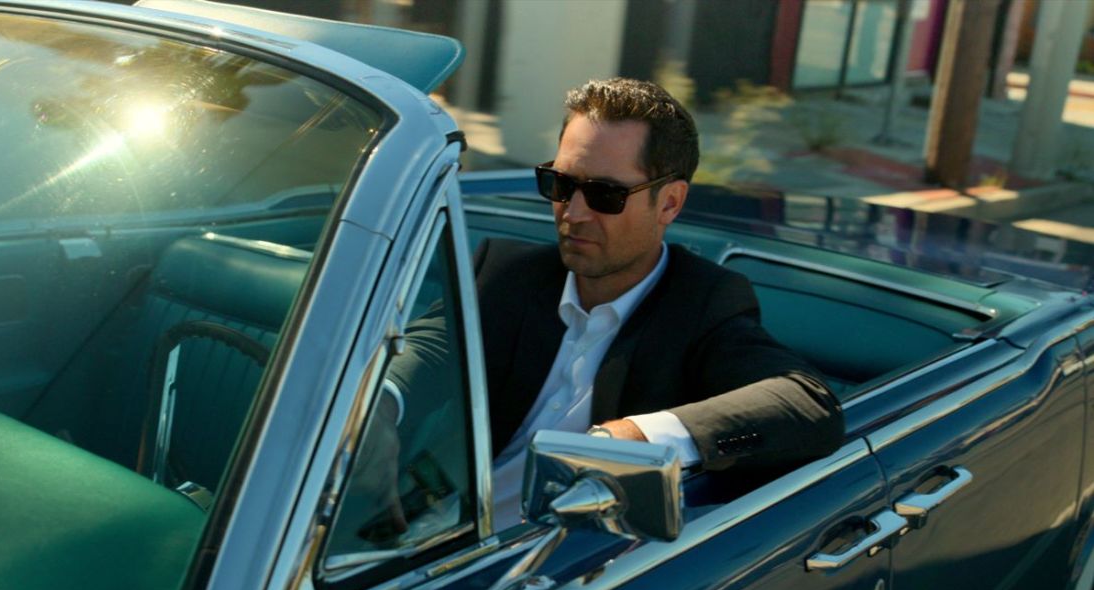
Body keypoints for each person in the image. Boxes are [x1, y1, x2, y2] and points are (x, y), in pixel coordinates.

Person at [345, 77, 844, 544]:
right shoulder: (507, 274)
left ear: (669, 203)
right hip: (426, 537)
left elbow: (808, 405)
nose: (573, 213)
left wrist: (635, 437)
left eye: (606, 194)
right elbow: (430, 346)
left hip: (555, 571)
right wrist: (378, 407)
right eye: (561, 185)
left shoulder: (703, 304)